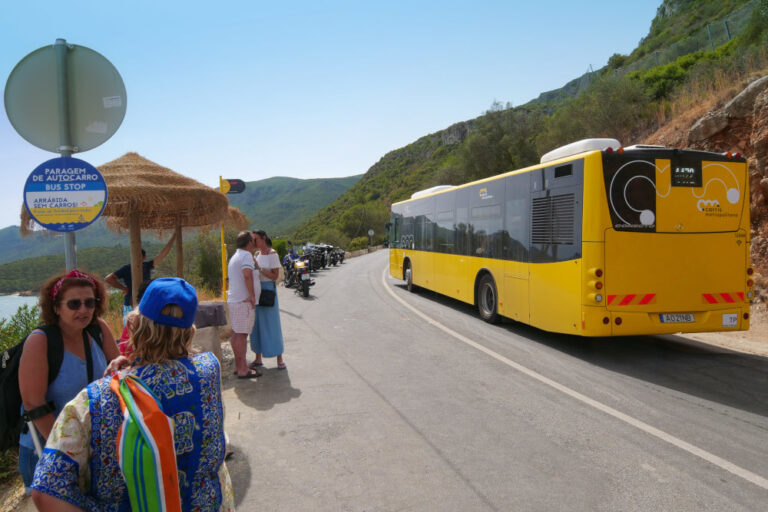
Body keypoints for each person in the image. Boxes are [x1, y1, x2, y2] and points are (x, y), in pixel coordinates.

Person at [30, 277, 235, 511]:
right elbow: (176, 364)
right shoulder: (209, 369)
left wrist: (123, 374)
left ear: (135, 325)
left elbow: (45, 492)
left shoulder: (94, 401)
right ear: (190, 331)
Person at [17, 270, 119, 494]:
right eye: (74, 304)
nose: (84, 309)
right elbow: (34, 404)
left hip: (92, 446)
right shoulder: (40, 342)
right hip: (47, 448)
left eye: (90, 302)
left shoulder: (98, 329)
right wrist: (65, 453)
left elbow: (117, 370)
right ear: (56, 307)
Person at [105, 233, 177, 312]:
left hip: (145, 302)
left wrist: (173, 238)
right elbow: (108, 279)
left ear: (144, 257)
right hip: (131, 304)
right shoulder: (127, 268)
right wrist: (123, 288)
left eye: (139, 256)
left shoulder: (147, 265)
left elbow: (162, 254)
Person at [227, 231, 261, 378]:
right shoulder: (246, 256)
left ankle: (239, 366)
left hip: (235, 300)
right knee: (242, 335)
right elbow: (247, 275)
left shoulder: (236, 255)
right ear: (249, 243)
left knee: (236, 334)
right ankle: (243, 370)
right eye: (253, 241)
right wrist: (252, 296)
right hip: (243, 302)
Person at [250, 230, 285, 370]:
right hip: (257, 290)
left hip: (268, 291)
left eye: (255, 239)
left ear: (263, 238)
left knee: (272, 324)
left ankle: (279, 358)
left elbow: (275, 276)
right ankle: (258, 358)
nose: (254, 242)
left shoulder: (272, 253)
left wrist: (260, 269)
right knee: (257, 325)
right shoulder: (256, 254)